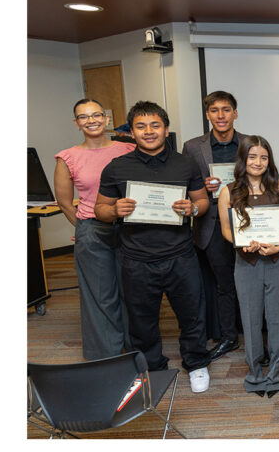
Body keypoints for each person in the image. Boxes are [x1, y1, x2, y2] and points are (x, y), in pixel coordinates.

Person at [95, 101, 212, 393]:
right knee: (141, 319)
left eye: (155, 125)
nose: (149, 132)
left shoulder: (185, 163)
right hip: (135, 258)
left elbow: (203, 202)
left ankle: (196, 363)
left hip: (180, 255)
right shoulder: (116, 168)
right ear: (131, 132)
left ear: (166, 128)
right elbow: (100, 208)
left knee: (191, 314)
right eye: (141, 126)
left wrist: (192, 209)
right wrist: (115, 210)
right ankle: (154, 368)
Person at [53, 98, 135, 360]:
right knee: (100, 296)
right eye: (84, 117)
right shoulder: (68, 157)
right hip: (92, 230)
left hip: (128, 228)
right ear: (76, 124)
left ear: (107, 118)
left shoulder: (128, 150)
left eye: (96, 115)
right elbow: (65, 203)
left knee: (132, 290)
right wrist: (84, 228)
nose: (92, 121)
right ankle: (107, 355)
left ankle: (134, 346)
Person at [219, 136, 279, 398]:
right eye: (252, 157)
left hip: (277, 261)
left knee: (278, 318)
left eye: (263, 157)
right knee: (250, 318)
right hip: (246, 262)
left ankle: (276, 371)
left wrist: (278, 245)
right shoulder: (228, 191)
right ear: (243, 159)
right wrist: (242, 242)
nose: (258, 162)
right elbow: (227, 230)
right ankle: (254, 373)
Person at [182, 90, 246, 361]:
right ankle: (229, 335)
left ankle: (251, 332)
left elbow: (264, 178)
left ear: (235, 113)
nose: (221, 115)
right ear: (208, 115)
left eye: (226, 109)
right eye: (215, 110)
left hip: (246, 222)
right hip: (211, 224)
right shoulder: (192, 147)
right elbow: (185, 186)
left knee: (248, 280)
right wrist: (203, 188)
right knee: (223, 283)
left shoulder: (250, 143)